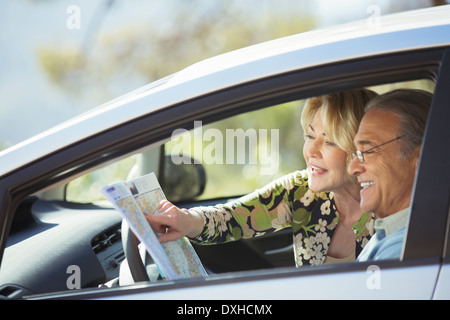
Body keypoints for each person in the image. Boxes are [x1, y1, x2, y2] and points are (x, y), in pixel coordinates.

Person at [147, 89, 377, 267]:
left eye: (329, 142)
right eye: (309, 136)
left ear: (360, 149)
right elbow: (231, 218)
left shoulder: (394, 208)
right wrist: (184, 220)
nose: (311, 151)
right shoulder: (301, 190)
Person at [348, 89, 432, 262]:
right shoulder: (390, 235)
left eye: (368, 151)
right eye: (356, 153)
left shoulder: (406, 251)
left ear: (421, 160)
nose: (352, 168)